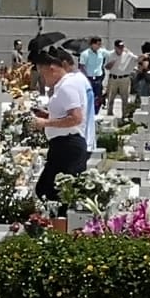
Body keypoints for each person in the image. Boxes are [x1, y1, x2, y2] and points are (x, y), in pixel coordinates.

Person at [31, 46, 89, 202]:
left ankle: (59, 223)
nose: (43, 79)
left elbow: (76, 118)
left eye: (43, 74)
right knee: (49, 190)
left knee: (51, 191)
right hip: (62, 145)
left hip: (68, 145)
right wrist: (47, 115)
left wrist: (45, 122)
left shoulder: (66, 86)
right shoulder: (63, 86)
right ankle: (56, 222)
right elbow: (65, 114)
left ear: (52, 69)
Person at [105, 39, 137, 114]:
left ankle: (124, 115)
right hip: (113, 78)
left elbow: (137, 59)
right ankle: (109, 113)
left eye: (122, 47)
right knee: (110, 98)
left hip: (124, 78)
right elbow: (106, 67)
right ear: (115, 47)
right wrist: (112, 63)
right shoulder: (110, 54)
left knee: (125, 98)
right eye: (119, 47)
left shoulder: (127, 54)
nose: (121, 49)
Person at [79, 36, 108, 112]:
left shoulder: (101, 52)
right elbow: (82, 66)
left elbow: (111, 54)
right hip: (89, 78)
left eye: (100, 44)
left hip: (98, 78)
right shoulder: (85, 54)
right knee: (88, 96)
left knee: (98, 96)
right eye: (98, 44)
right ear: (92, 44)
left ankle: (96, 111)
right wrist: (86, 77)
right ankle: (88, 111)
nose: (99, 46)